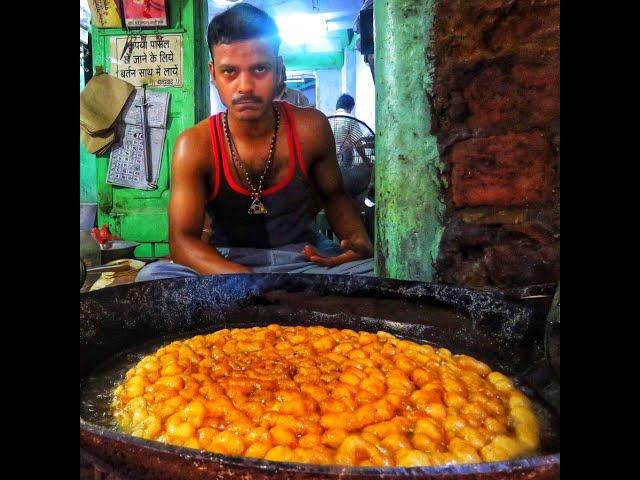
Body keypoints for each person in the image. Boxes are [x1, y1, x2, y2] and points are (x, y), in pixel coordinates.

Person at [136, 3, 373, 282]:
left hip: (303, 260)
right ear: (213, 74)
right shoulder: (195, 145)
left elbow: (336, 198)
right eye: (230, 72)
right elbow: (182, 242)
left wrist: (359, 246)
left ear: (279, 70)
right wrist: (248, 281)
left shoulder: (311, 128)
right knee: (153, 277)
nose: (245, 86)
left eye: (260, 69)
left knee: (374, 273)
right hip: (226, 265)